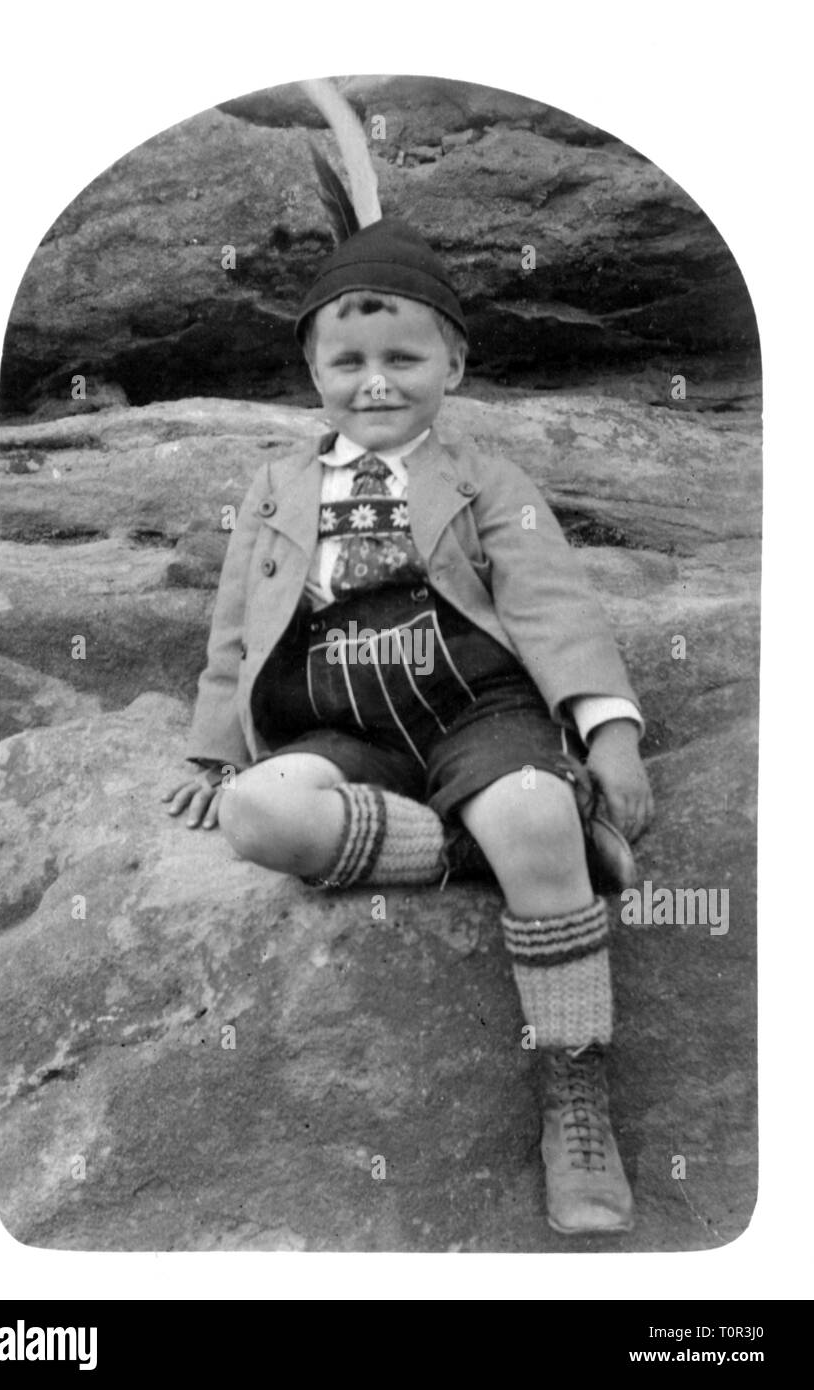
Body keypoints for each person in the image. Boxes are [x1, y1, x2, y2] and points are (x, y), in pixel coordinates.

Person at [163, 208, 653, 1237]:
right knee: (259, 817)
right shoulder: (277, 485)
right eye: (347, 360)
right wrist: (213, 749)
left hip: (476, 708)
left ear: (455, 364)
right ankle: (537, 843)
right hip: (339, 721)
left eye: (403, 355)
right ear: (312, 370)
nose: (374, 380)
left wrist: (606, 732)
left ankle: (573, 1093)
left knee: (521, 801)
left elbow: (551, 601)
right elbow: (234, 624)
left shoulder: (482, 479)